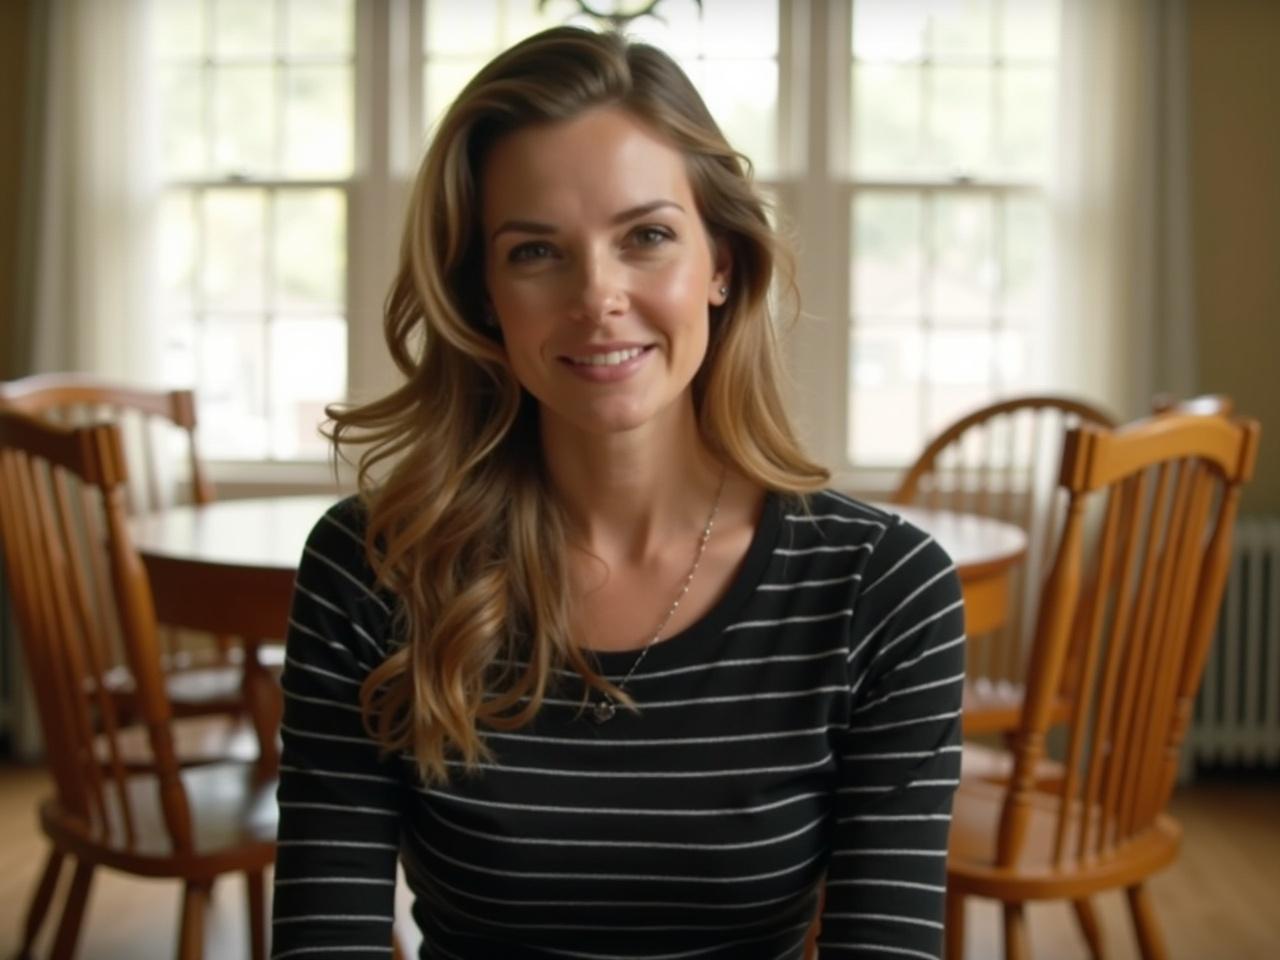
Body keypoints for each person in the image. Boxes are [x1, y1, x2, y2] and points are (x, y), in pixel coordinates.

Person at [271, 25, 964, 960]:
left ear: (720, 263)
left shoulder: (881, 590)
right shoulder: (373, 565)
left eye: (646, 236)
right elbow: (329, 941)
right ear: (481, 293)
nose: (596, 296)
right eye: (533, 252)